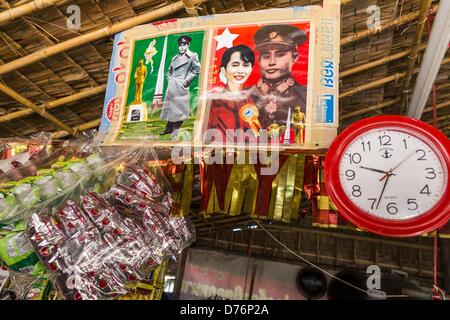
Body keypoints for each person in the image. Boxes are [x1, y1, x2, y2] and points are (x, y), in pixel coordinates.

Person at [250, 24, 308, 133]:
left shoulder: (306, 97)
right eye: (266, 56)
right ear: (259, 59)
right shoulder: (245, 96)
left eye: (280, 55)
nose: (272, 62)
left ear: (295, 57)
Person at [207, 45, 260, 143]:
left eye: (245, 65)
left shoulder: (255, 100)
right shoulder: (213, 102)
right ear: (223, 70)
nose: (240, 71)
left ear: (251, 69)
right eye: (235, 65)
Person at [160, 35, 201, 137]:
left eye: (184, 45)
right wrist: (170, 80)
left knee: (178, 110)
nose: (182, 47)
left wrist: (186, 81)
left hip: (181, 86)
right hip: (172, 86)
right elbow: (169, 72)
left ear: (188, 45)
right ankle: (168, 128)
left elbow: (196, 70)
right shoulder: (175, 58)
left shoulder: (192, 55)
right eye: (180, 45)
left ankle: (175, 131)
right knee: (171, 108)